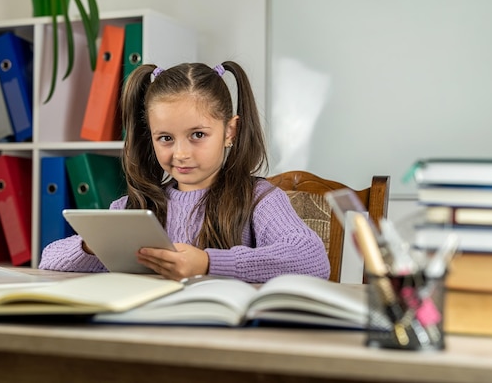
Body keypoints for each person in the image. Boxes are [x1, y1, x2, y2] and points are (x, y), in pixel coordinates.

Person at [39, 61, 331, 283]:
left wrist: (207, 263)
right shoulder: (136, 206)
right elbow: (49, 260)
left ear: (230, 131)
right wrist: (93, 245)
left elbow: (312, 259)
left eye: (198, 135)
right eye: (165, 138)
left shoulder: (259, 198)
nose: (180, 154)